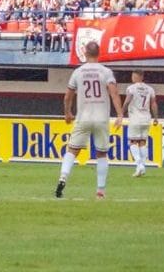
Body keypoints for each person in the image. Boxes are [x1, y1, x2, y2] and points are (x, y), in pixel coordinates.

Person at [55, 42, 123, 200]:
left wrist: (67, 112)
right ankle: (100, 190)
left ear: (85, 53)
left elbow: (68, 96)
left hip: (83, 117)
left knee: (72, 150)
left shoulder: (78, 72)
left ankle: (63, 178)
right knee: (101, 153)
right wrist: (120, 114)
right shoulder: (106, 72)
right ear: (99, 53)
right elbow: (114, 93)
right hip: (101, 117)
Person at [123, 70, 158, 177]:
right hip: (146, 118)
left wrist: (121, 112)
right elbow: (153, 104)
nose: (132, 78)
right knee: (142, 142)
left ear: (138, 76)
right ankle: (141, 168)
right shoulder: (150, 89)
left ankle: (139, 164)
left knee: (132, 142)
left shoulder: (131, 88)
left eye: (133, 76)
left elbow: (127, 101)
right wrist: (156, 117)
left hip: (135, 118)